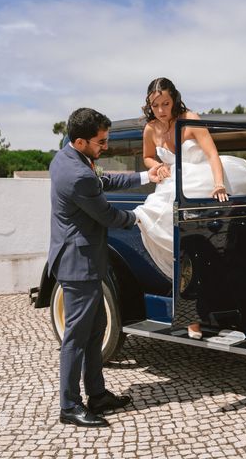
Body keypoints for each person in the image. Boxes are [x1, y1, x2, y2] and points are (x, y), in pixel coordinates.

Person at [48, 107, 164, 428]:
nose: (106, 146)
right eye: (101, 142)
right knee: (76, 336)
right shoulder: (77, 175)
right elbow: (109, 216)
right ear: (82, 141)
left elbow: (105, 178)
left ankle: (97, 395)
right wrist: (142, 217)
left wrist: (146, 176)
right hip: (78, 263)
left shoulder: (67, 158)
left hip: (85, 260)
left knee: (96, 330)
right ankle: (69, 405)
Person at [134, 78, 246, 340]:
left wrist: (219, 183)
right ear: (150, 104)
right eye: (156, 105)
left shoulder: (190, 119)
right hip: (175, 183)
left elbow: (212, 154)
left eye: (166, 103)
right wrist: (158, 167)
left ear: (175, 99)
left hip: (204, 178)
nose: (161, 110)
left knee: (212, 246)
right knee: (158, 223)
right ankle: (190, 310)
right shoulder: (150, 129)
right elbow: (148, 156)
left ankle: (217, 308)